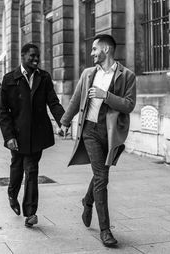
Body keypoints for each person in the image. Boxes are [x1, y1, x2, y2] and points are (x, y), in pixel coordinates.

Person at [60, 34, 136, 248]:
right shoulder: (87, 74)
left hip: (111, 133)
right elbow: (76, 100)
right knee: (102, 178)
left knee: (101, 174)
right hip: (90, 131)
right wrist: (65, 122)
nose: (92, 53)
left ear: (106, 50)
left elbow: (129, 105)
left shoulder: (127, 76)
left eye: (95, 49)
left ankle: (87, 200)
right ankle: (105, 230)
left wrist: (106, 95)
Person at [0, 43, 64, 228]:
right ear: (23, 56)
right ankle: (12, 193)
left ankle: (30, 212)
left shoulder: (44, 77)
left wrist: (63, 121)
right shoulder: (10, 79)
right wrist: (8, 136)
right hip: (17, 136)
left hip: (37, 135)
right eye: (32, 56)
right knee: (17, 169)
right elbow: (3, 111)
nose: (36, 59)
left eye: (38, 56)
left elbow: (53, 102)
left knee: (32, 171)